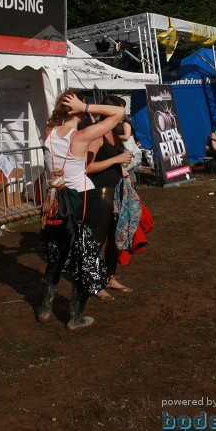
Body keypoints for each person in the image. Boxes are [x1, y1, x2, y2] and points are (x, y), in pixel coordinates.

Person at [36, 91, 125, 331]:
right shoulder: (82, 136)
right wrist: (85, 107)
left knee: (58, 254)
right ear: (74, 108)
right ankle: (75, 316)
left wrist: (73, 108)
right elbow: (119, 113)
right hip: (83, 198)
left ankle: (45, 308)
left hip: (57, 198)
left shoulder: (48, 133)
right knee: (86, 255)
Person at [86, 96, 135, 300]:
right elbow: (87, 167)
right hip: (99, 191)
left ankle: (110, 276)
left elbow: (111, 161)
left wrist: (122, 172)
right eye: (119, 111)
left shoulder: (114, 132)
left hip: (116, 189)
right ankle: (95, 282)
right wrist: (116, 160)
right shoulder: (96, 134)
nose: (122, 116)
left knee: (116, 236)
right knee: (98, 239)